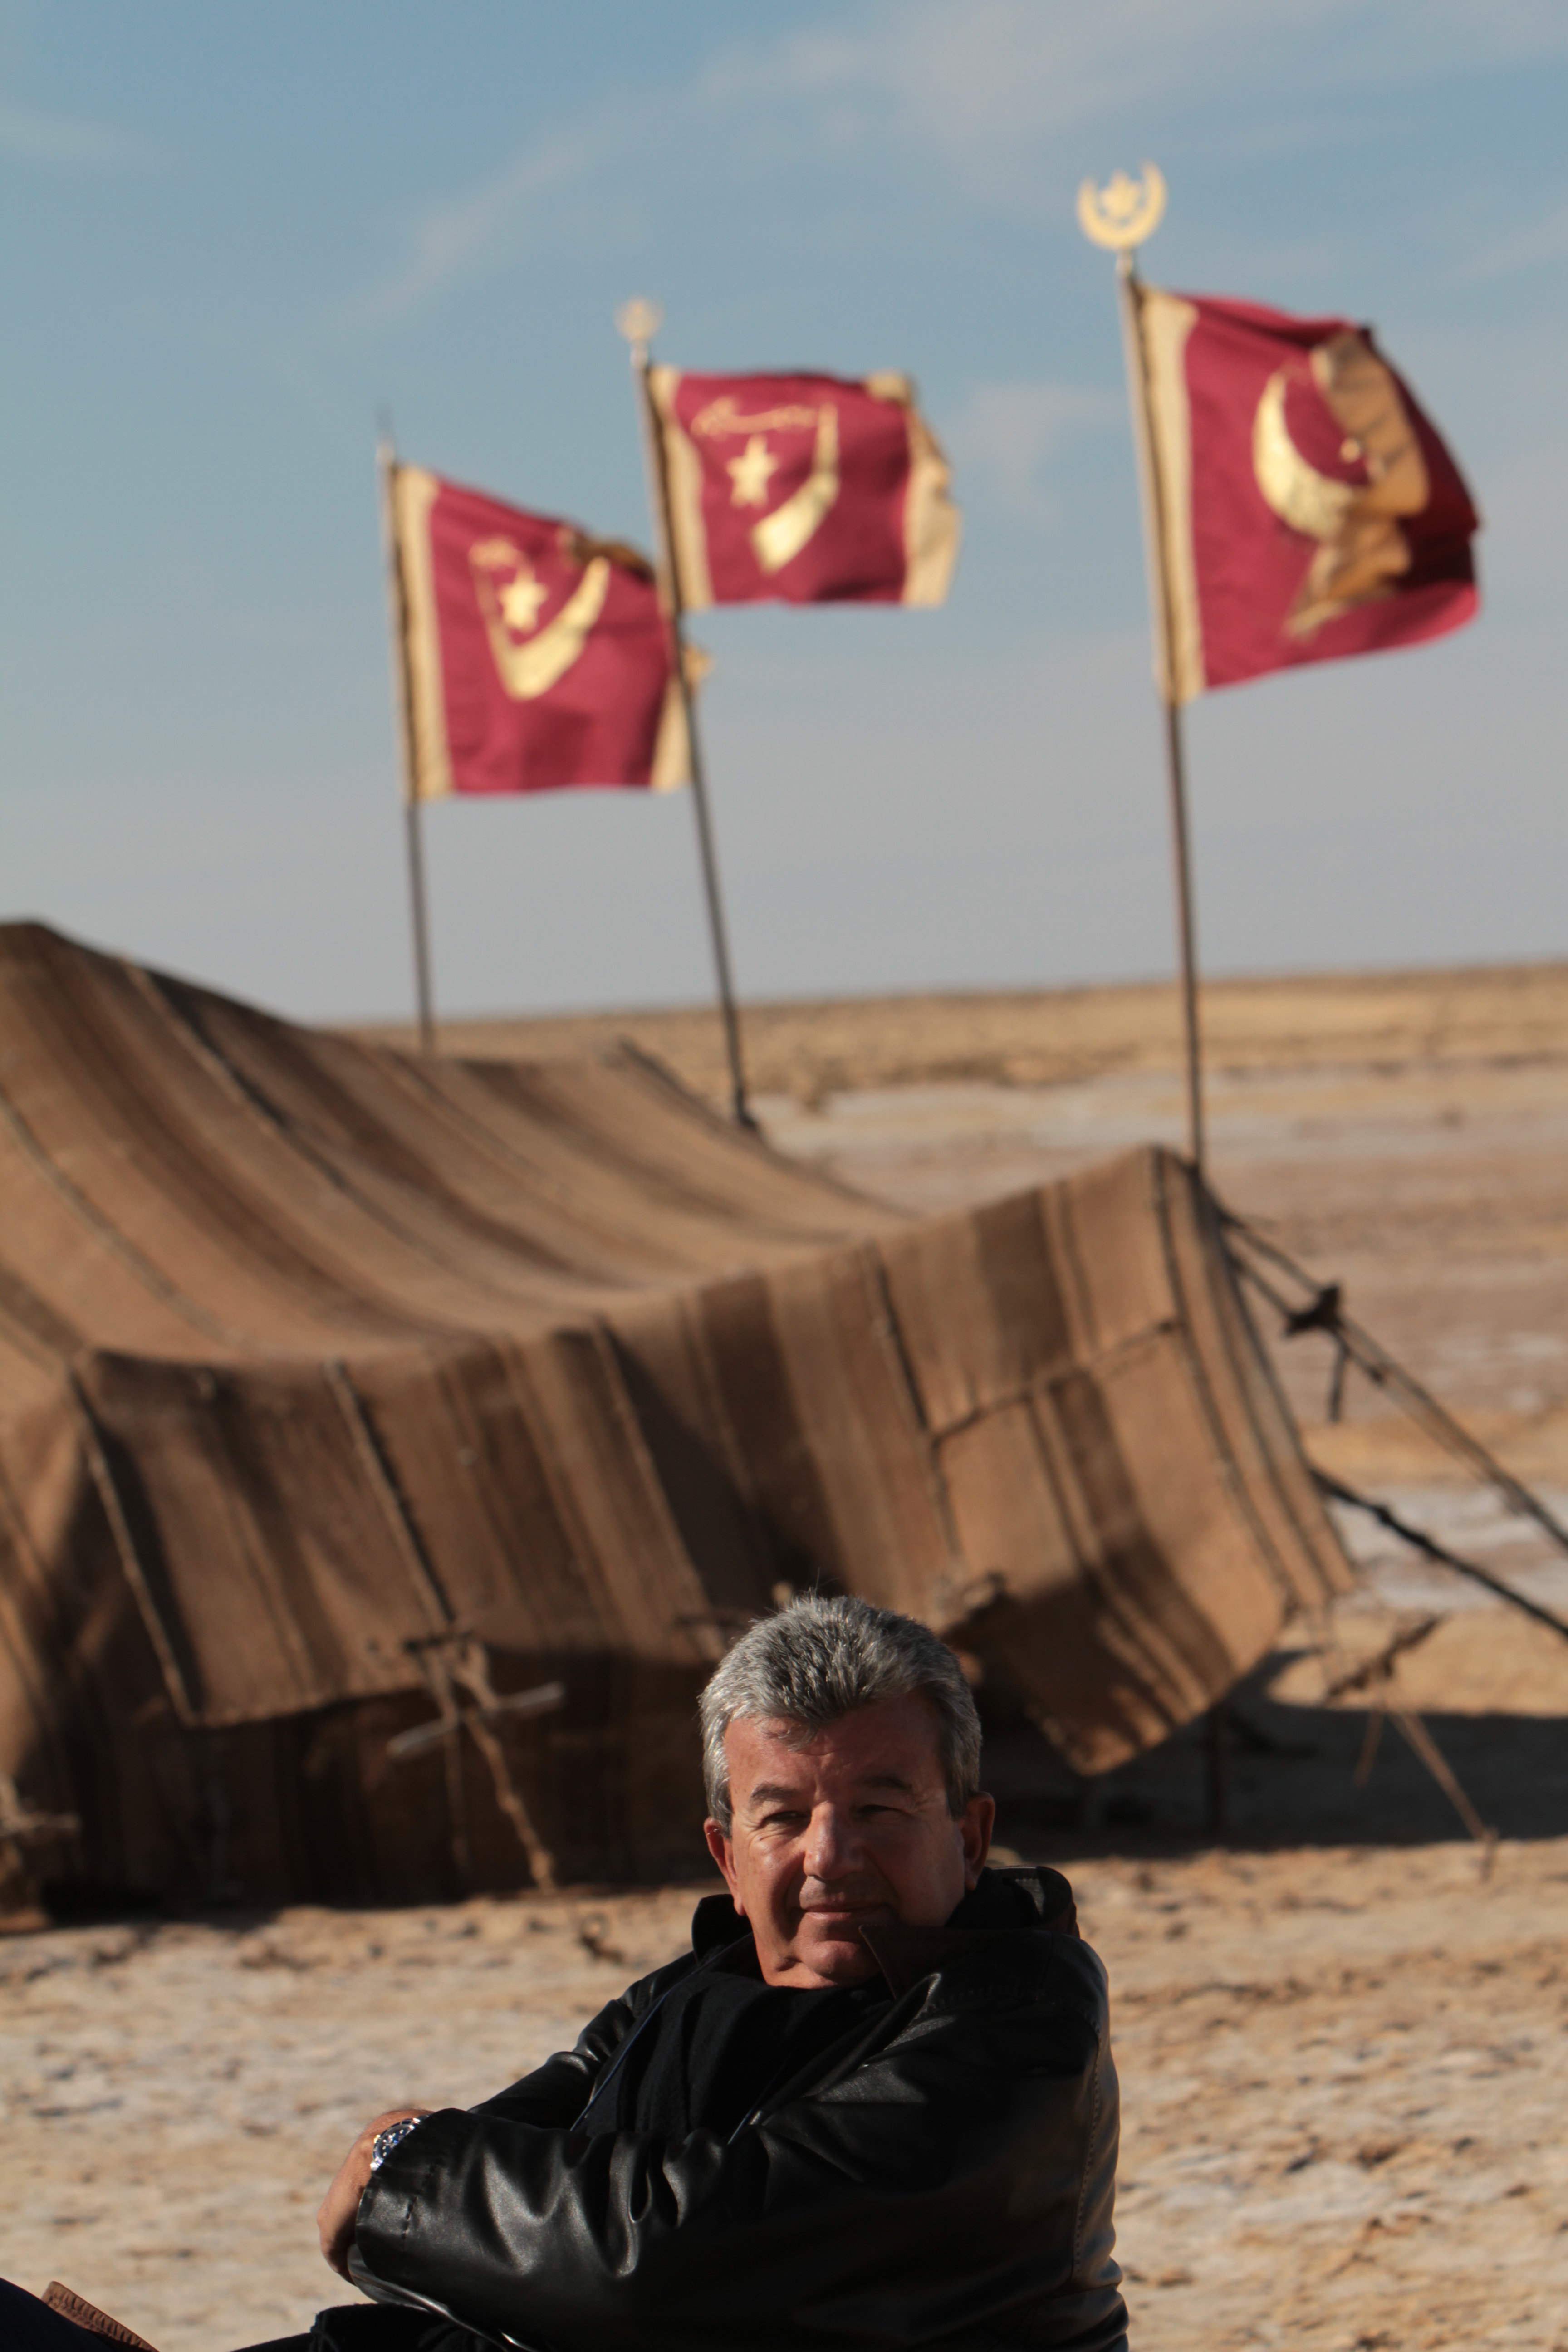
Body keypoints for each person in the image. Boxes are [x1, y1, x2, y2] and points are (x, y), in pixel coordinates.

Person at [11, 1597, 1127, 2352]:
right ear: (727, 1855)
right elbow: (508, 2214)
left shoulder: (1018, 2022)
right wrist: (431, 2188)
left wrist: (403, 2171)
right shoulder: (684, 1997)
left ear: (972, 1837)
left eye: (880, 1809)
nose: (830, 1857)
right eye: (783, 1817)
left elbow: (673, 2256)